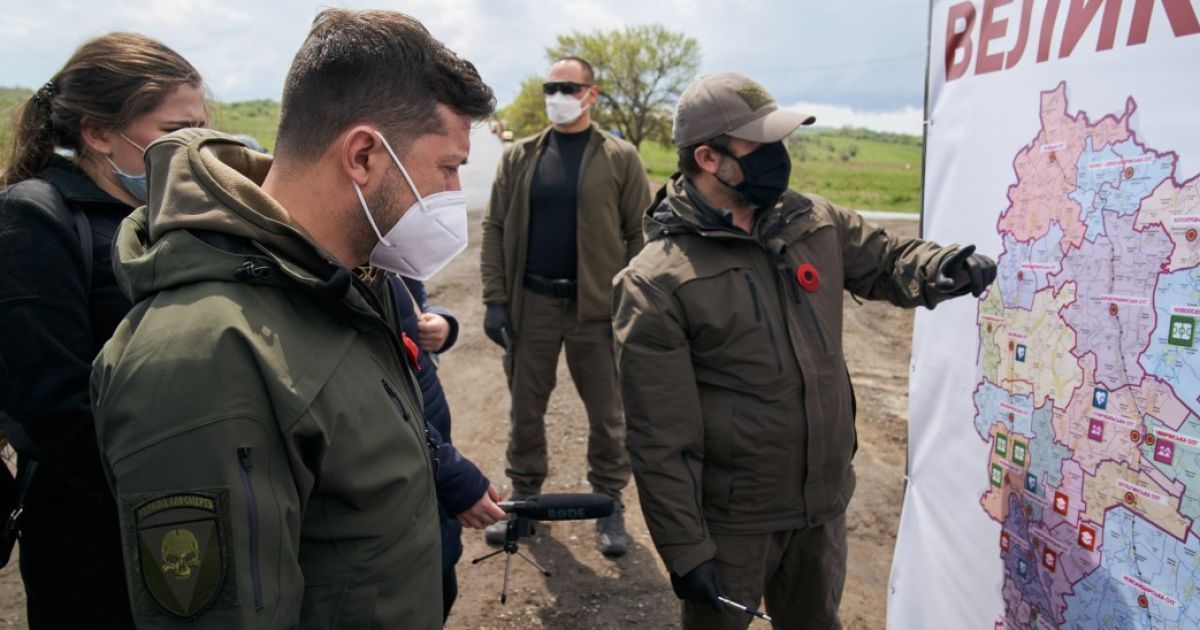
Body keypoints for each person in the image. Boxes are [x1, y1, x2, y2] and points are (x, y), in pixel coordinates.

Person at [89, 9, 494, 628]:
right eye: (447, 167)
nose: (454, 192)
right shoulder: (205, 356)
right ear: (362, 156)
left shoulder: (350, 283)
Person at [612, 73, 997, 629]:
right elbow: (659, 438)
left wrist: (940, 267)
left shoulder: (812, 221)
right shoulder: (656, 282)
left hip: (822, 507)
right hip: (733, 525)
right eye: (761, 146)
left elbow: (887, 259)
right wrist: (685, 550)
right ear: (708, 157)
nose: (778, 156)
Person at [0, 33, 206, 628]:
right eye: (174, 131)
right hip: (95, 534)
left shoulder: (169, 217)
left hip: (186, 516)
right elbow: (52, 405)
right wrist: (172, 492)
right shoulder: (33, 217)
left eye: (200, 128)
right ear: (96, 132)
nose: (193, 148)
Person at [480, 56, 651, 556]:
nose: (556, 94)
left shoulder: (620, 157)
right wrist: (495, 300)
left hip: (596, 311)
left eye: (568, 87)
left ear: (591, 94)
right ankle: (525, 502)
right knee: (525, 410)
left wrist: (632, 305)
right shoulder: (522, 156)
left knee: (608, 414)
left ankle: (608, 504)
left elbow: (638, 236)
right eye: (550, 86)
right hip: (531, 302)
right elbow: (493, 228)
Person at [387, 275, 506, 620]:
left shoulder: (381, 259)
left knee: (440, 589)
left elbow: (415, 304)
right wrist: (455, 477)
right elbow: (369, 397)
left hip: (430, 480)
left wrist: (441, 322)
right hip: (405, 486)